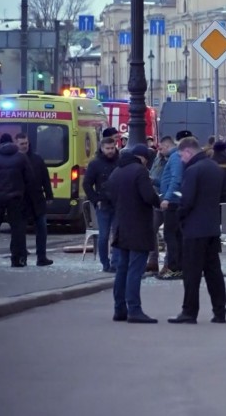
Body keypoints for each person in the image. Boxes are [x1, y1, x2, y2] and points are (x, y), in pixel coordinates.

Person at [168, 136, 226, 325]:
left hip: (194, 229)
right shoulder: (214, 167)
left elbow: (187, 200)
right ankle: (220, 312)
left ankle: (189, 312)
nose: (181, 160)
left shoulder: (193, 170)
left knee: (192, 274)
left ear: (188, 151)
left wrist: (179, 216)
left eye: (181, 156)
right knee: (213, 272)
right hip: (211, 227)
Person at [108, 144, 161, 324]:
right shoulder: (140, 171)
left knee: (122, 269)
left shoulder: (117, 171)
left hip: (121, 227)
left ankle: (119, 309)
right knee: (135, 270)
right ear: (143, 158)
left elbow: (110, 195)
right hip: (138, 227)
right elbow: (148, 196)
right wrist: (158, 200)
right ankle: (134, 310)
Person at [157, 130, 192, 280]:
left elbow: (176, 179)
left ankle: (175, 267)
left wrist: (167, 198)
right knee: (175, 235)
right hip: (175, 200)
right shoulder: (175, 157)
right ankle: (177, 267)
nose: (159, 151)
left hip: (173, 202)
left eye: (160, 148)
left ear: (167, 145)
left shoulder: (175, 157)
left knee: (171, 235)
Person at [15, 133, 54, 267]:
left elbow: (45, 177)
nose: (25, 146)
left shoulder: (37, 159)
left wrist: (49, 195)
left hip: (37, 198)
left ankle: (41, 257)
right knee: (19, 231)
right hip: (20, 200)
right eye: (22, 144)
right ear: (16, 144)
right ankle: (21, 257)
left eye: (26, 143)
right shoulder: (14, 159)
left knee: (42, 229)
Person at [83, 136, 121, 272]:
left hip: (118, 203)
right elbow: (87, 184)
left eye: (112, 148)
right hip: (103, 204)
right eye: (107, 148)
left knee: (117, 235)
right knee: (104, 236)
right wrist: (95, 199)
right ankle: (105, 263)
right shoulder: (95, 164)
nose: (110, 151)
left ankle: (116, 263)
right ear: (102, 148)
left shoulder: (120, 161)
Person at [0, 133, 35, 268]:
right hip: (16, 198)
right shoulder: (21, 157)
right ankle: (18, 259)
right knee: (18, 230)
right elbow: (30, 179)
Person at [147, 136, 175, 273]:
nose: (160, 150)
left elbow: (172, 180)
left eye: (162, 147)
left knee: (169, 232)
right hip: (158, 199)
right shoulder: (158, 158)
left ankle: (168, 263)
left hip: (167, 200)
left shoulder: (173, 159)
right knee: (151, 228)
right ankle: (153, 260)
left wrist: (154, 181)